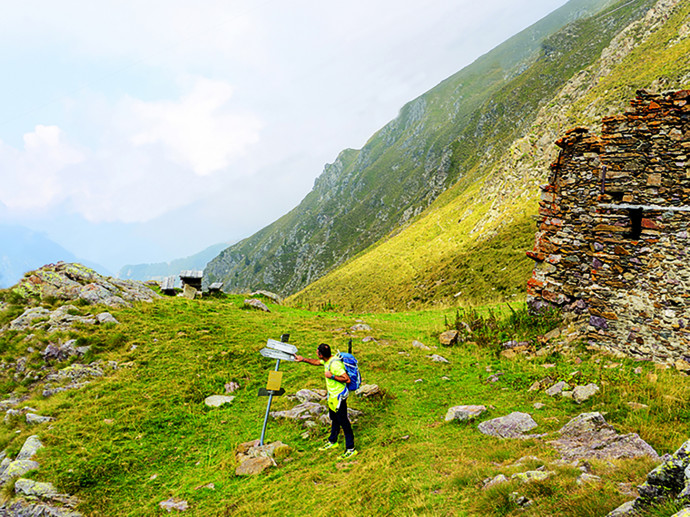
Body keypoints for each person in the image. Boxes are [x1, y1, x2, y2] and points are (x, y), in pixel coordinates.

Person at [295, 343, 357, 459]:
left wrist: (332, 376)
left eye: (317, 351)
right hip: (332, 396)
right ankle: (333, 441)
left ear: (321, 354)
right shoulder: (327, 360)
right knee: (334, 418)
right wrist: (303, 359)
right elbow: (317, 362)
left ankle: (350, 449)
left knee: (344, 422)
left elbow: (346, 379)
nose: (316, 353)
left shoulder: (335, 365)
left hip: (339, 396)